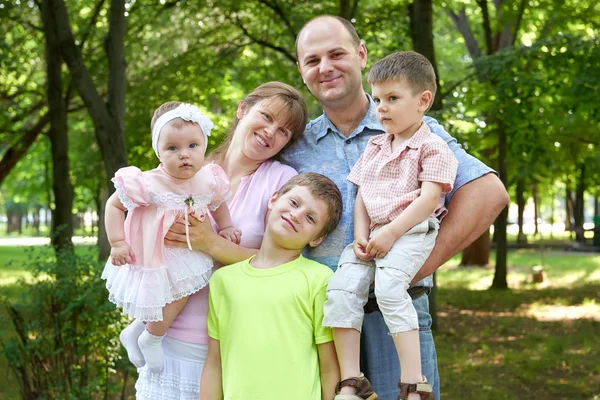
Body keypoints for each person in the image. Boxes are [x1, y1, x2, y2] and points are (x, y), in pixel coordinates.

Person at [282, 15, 510, 399]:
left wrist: (405, 271)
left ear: (361, 54)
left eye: (336, 54)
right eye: (312, 60)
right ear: (302, 70)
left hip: (397, 319)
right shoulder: (294, 146)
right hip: (322, 325)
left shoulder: (417, 128)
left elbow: (489, 194)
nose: (325, 67)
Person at [134, 81, 307, 400]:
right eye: (266, 116)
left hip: (224, 347)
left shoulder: (280, 181)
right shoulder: (189, 160)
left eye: (284, 131)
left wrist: (211, 244)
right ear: (243, 110)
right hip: (162, 339)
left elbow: (284, 264)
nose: (271, 131)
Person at [324, 51, 458, 400]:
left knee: (389, 289)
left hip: (411, 231)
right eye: (379, 99)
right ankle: (352, 380)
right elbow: (362, 197)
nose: (381, 107)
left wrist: (391, 232)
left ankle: (414, 383)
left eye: (393, 99)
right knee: (341, 288)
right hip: (374, 233)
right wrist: (362, 236)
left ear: (423, 100)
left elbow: (429, 200)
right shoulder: (376, 147)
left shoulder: (433, 147)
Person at [101, 102, 241, 373]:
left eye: (192, 146)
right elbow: (114, 205)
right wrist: (118, 242)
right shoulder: (147, 182)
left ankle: (137, 333)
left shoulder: (207, 178)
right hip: (154, 252)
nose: (184, 155)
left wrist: (225, 227)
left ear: (203, 146)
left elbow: (218, 202)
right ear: (159, 152)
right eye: (173, 148)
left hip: (187, 250)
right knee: (162, 296)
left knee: (179, 294)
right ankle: (151, 338)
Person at [200, 173, 343, 400]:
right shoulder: (223, 280)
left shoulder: (320, 279)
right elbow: (214, 363)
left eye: (310, 218)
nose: (296, 216)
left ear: (317, 239)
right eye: (294, 203)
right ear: (274, 199)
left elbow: (329, 368)